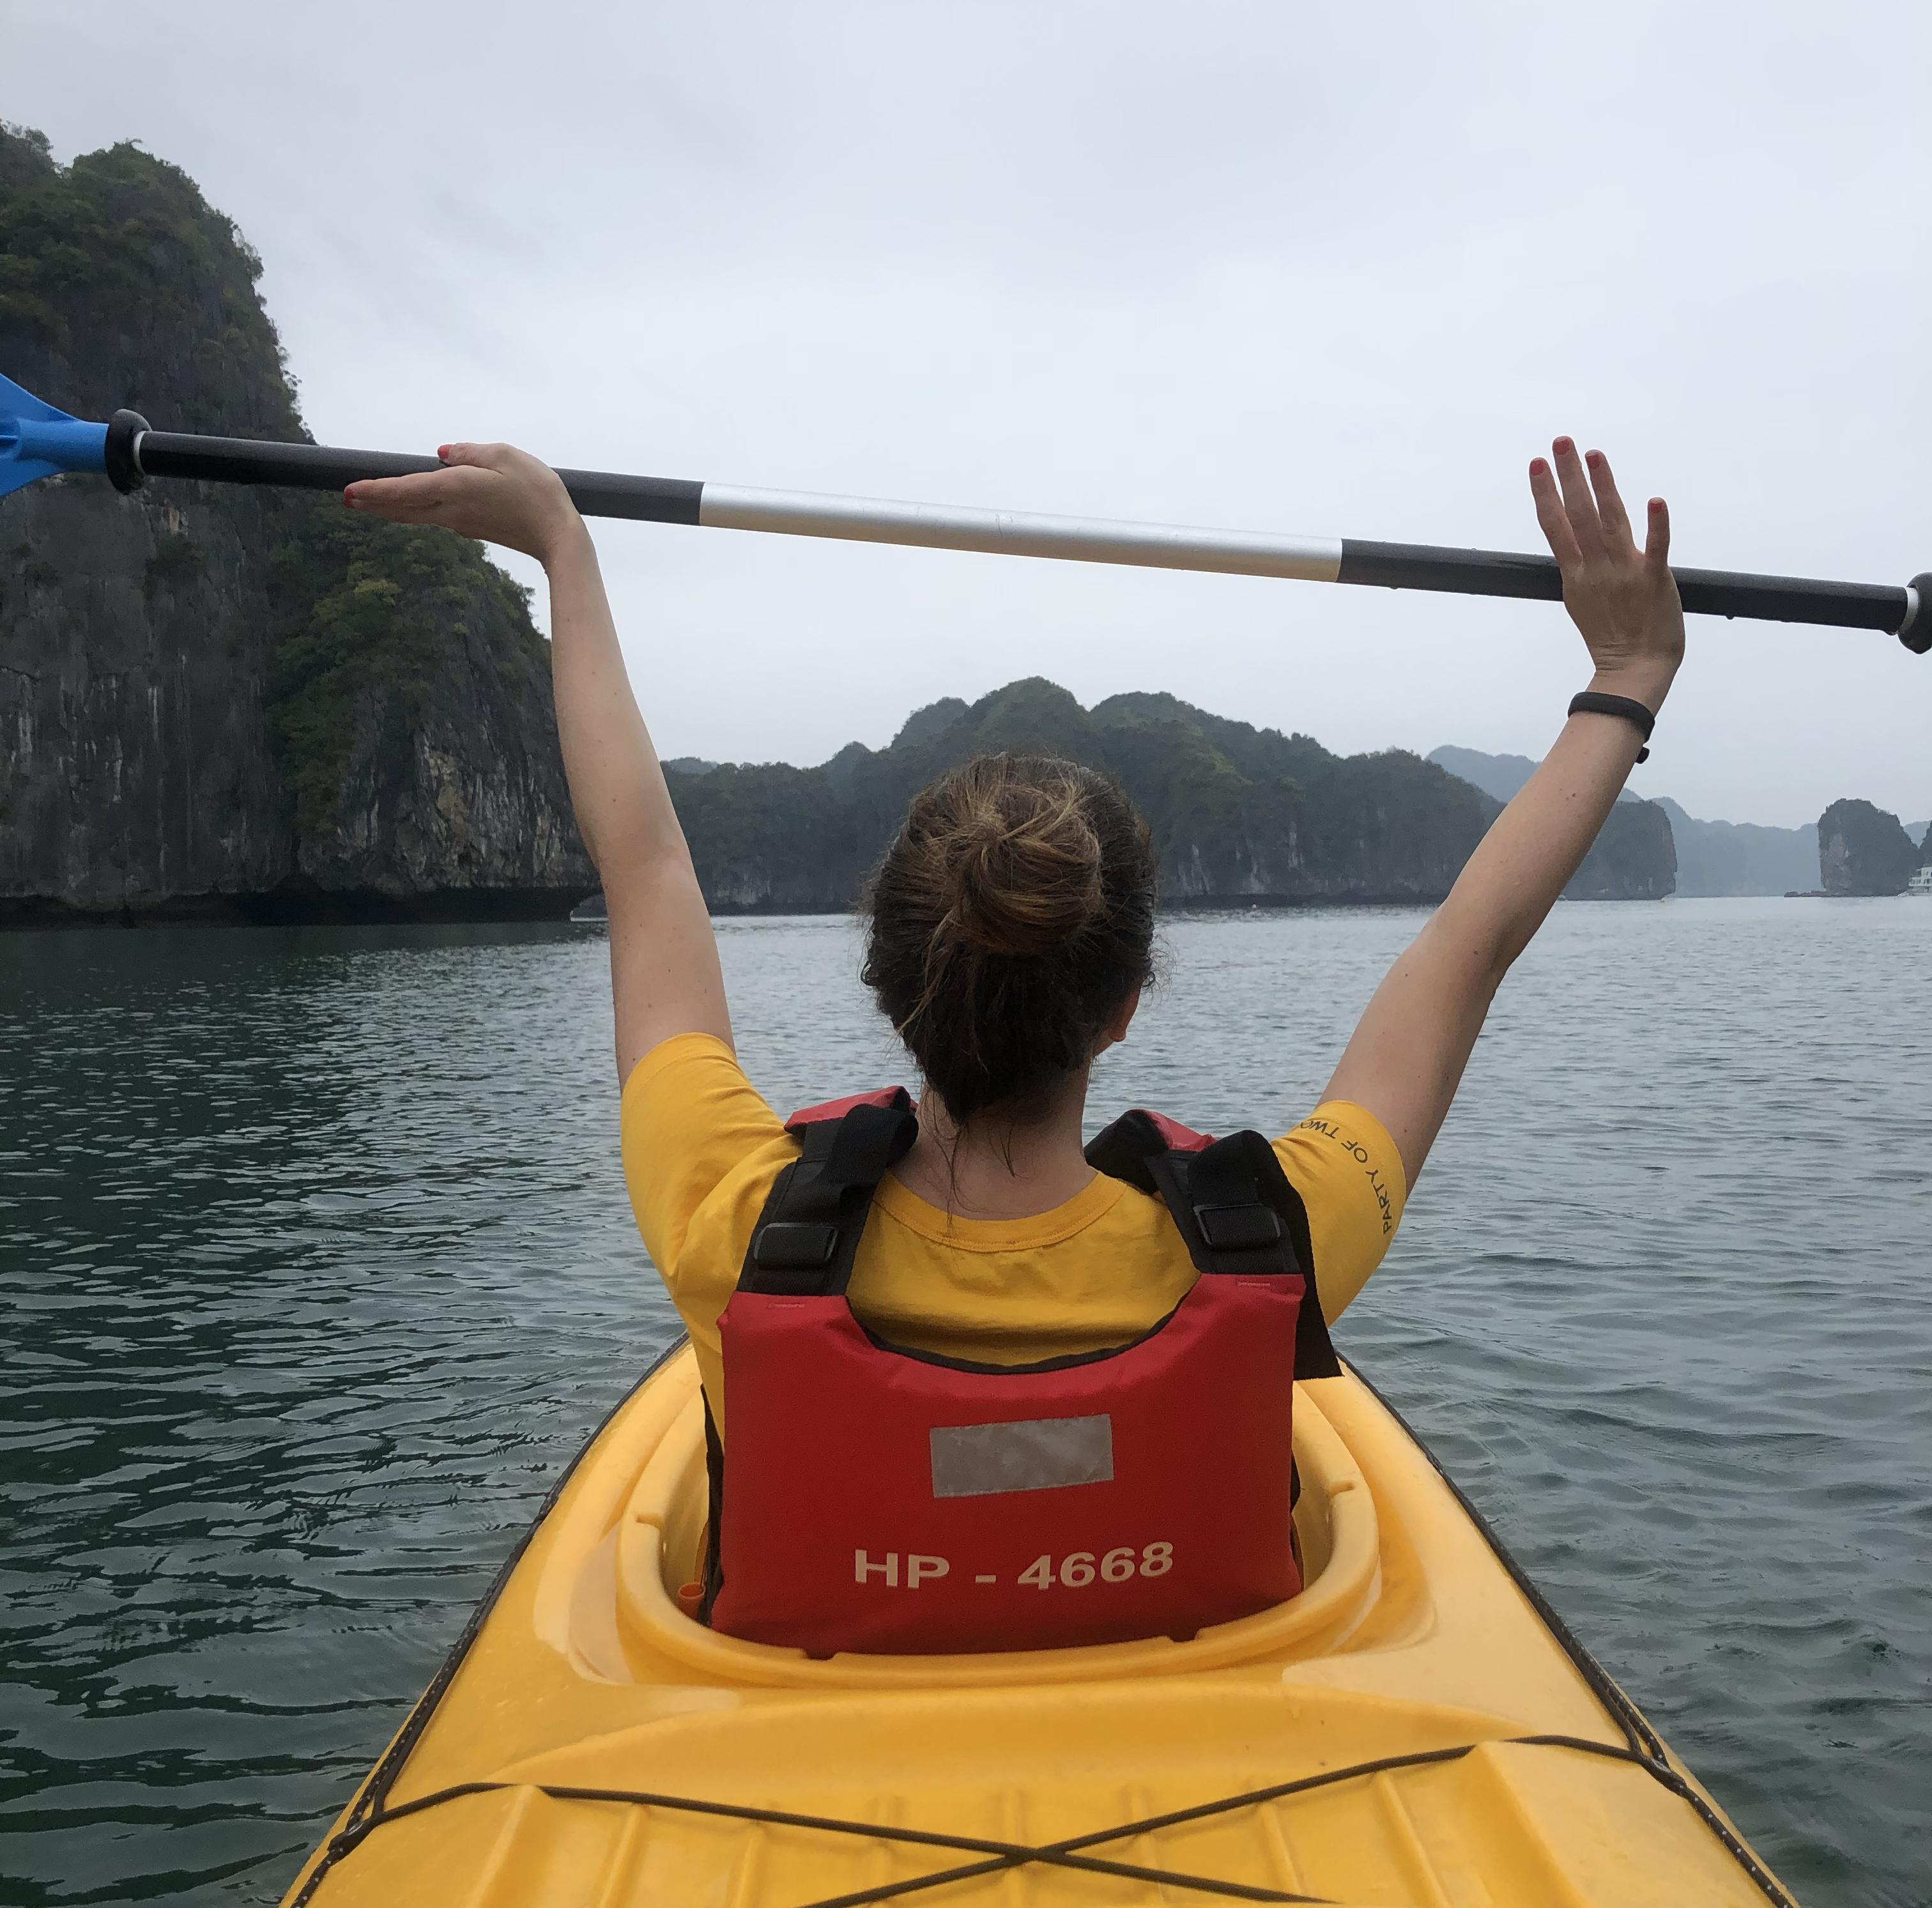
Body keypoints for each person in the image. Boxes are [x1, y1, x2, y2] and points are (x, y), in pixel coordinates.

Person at [344, 436, 1684, 1654]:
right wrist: (1626, 675)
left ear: (890, 985)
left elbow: (641, 872)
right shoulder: (1278, 1243)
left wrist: (565, 550)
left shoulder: (731, 1218)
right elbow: (1463, 956)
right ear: (1122, 1005)